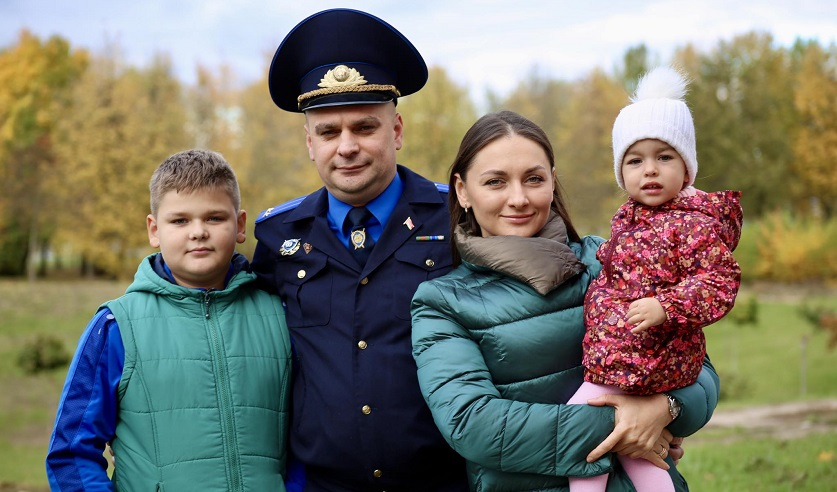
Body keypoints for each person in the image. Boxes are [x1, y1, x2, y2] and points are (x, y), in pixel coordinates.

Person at [411, 110, 721, 491]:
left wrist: (667, 408)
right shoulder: (442, 303)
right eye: (495, 182)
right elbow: (473, 423)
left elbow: (698, 368)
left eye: (534, 179)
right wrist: (628, 425)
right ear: (462, 191)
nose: (519, 198)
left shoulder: (607, 259)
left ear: (552, 181)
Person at [251, 8, 467, 492]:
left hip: (443, 482)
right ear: (310, 142)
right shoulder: (277, 238)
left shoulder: (457, 219)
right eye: (328, 132)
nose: (346, 146)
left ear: (397, 131)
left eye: (364, 127)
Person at [46, 150, 292, 491]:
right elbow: (71, 454)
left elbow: (313, 439)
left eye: (214, 218)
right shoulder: (117, 326)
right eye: (180, 221)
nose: (198, 232)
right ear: (154, 229)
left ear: (239, 225)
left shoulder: (280, 315)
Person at [567, 67, 742, 491]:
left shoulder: (693, 224)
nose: (650, 170)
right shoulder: (625, 221)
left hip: (652, 366)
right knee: (641, 459)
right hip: (619, 363)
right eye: (635, 160)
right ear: (621, 171)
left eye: (664, 157)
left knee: (580, 438)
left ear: (686, 168)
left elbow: (719, 282)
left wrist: (667, 305)